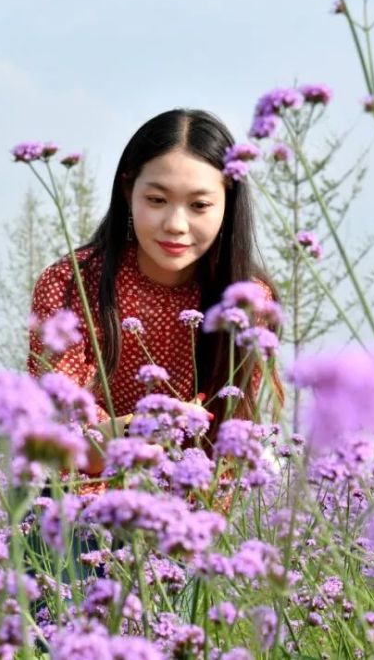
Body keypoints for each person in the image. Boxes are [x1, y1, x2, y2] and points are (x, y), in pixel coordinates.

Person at [27, 108, 284, 479]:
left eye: (199, 205)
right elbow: (60, 440)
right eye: (157, 200)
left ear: (228, 204)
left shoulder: (248, 303)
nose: (176, 224)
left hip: (185, 511)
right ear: (129, 190)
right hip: (76, 507)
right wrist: (141, 428)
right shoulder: (72, 284)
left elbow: (228, 446)